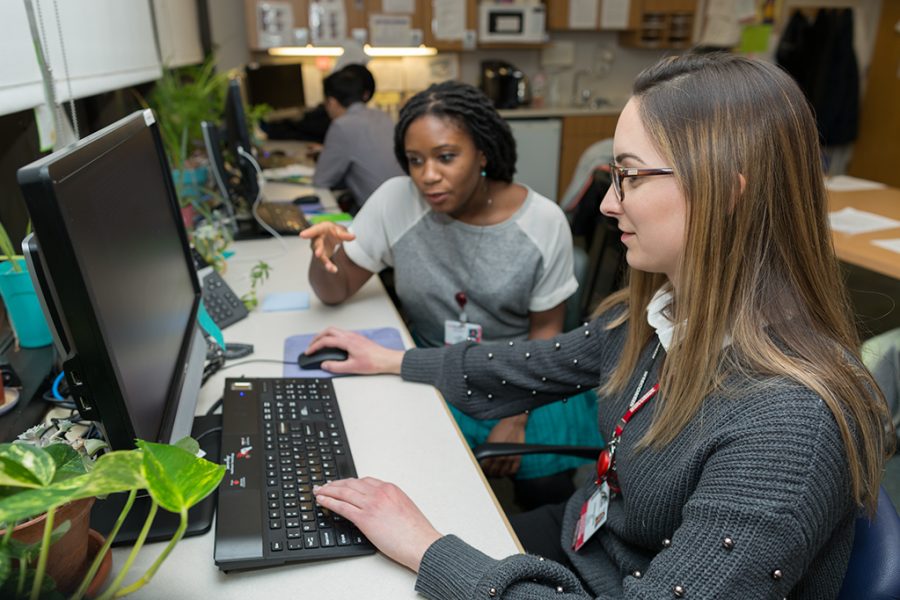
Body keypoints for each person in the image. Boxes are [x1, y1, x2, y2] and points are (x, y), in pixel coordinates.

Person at [307, 53, 895, 599]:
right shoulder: (666, 317)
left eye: (632, 177)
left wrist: (427, 549)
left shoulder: (788, 428)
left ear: (726, 195)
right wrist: (392, 360)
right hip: (588, 546)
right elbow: (537, 361)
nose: (610, 204)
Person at [301, 80, 602, 509]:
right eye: (414, 160)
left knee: (544, 492)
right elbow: (334, 292)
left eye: (446, 157)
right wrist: (323, 257)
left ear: (482, 152)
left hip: (523, 375)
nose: (427, 175)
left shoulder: (542, 222)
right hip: (432, 367)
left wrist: (514, 419)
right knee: (416, 483)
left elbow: (548, 331)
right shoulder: (395, 201)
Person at [312, 64, 403, 206]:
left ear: (331, 102)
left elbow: (321, 180)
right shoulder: (383, 116)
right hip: (404, 204)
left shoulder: (341, 125)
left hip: (381, 214)